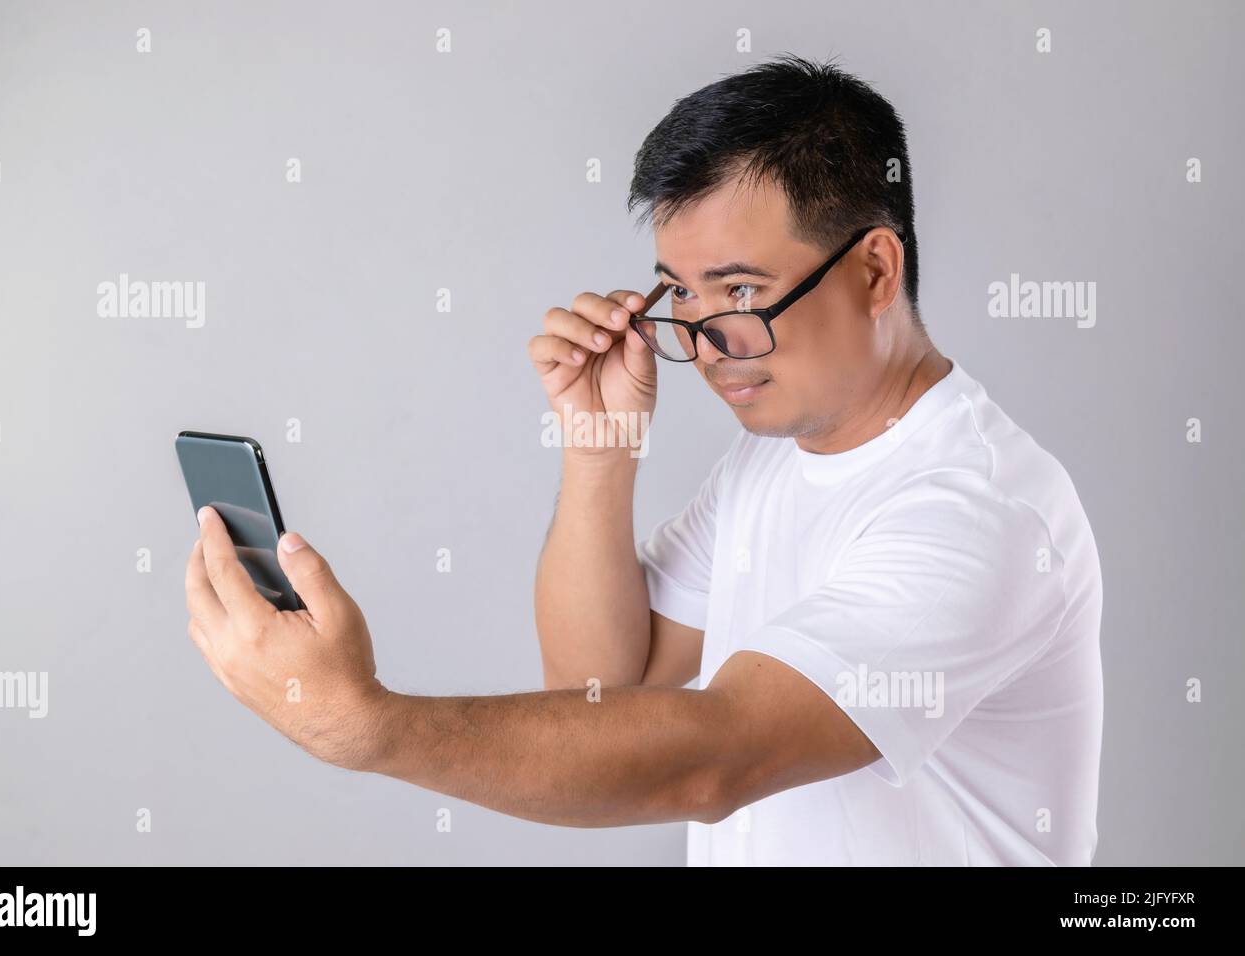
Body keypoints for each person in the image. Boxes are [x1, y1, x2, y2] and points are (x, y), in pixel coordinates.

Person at [184, 54, 1102, 866]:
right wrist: (599, 447)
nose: (706, 345)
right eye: (685, 299)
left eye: (741, 290)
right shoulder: (775, 459)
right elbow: (597, 685)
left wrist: (369, 728)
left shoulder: (980, 511)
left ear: (873, 270)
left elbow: (717, 757)